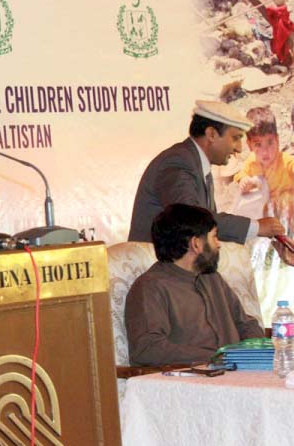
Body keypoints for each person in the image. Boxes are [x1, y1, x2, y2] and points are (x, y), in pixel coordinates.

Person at [125, 203, 264, 366]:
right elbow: (148, 349)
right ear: (196, 244)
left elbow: (245, 323)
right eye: (214, 237)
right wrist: (217, 358)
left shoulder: (212, 278)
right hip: (189, 384)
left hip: (235, 376)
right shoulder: (150, 287)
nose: (218, 244)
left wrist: (254, 352)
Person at [128, 99, 284, 244]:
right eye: (235, 138)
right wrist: (256, 227)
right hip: (160, 270)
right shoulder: (178, 162)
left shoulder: (196, 163)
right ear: (211, 134)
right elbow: (192, 219)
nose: (239, 148)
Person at [234, 106, 294, 203]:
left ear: (277, 140)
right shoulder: (251, 162)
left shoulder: (285, 161)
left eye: (270, 143)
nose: (265, 151)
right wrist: (244, 180)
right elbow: (241, 175)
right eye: (258, 145)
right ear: (249, 145)